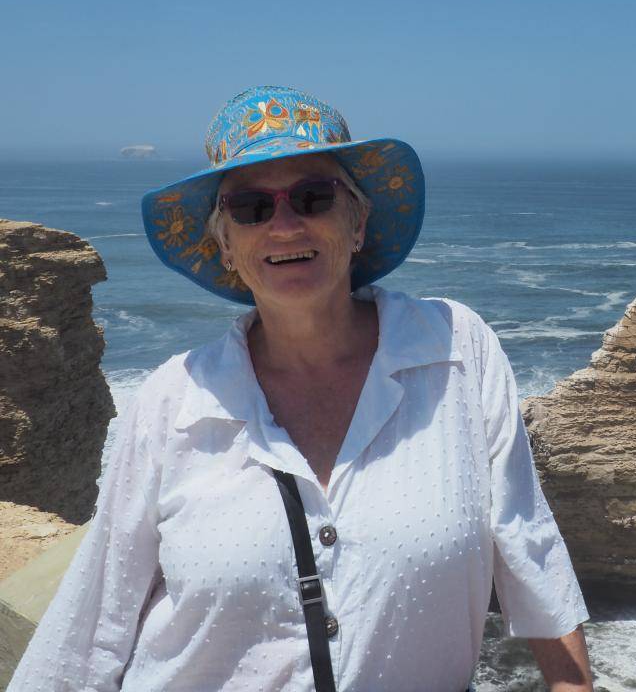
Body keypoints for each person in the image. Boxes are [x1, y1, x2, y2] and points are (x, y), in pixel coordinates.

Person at [9, 85, 593, 691]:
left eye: (314, 197)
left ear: (358, 220)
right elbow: (97, 617)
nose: (285, 225)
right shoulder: (171, 400)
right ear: (226, 245)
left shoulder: (455, 350)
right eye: (251, 208)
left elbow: (525, 541)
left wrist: (571, 683)